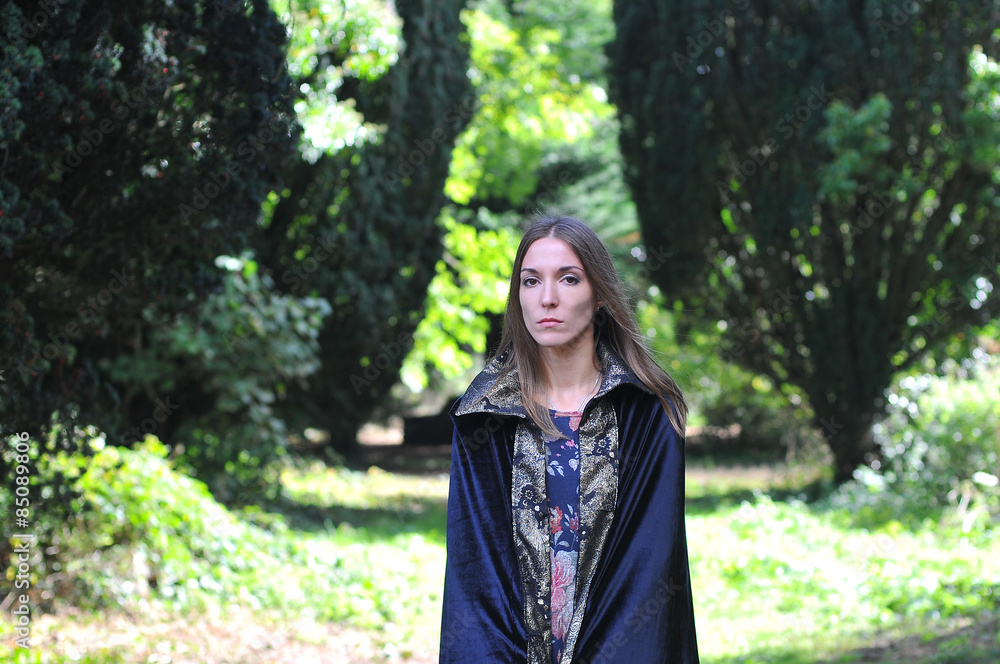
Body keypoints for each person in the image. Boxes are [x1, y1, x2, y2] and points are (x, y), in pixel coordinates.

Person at [439, 216, 699, 664]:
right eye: (531, 281)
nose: (547, 298)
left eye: (569, 279)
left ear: (599, 296)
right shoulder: (485, 414)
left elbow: (649, 566)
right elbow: (476, 571)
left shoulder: (646, 412)